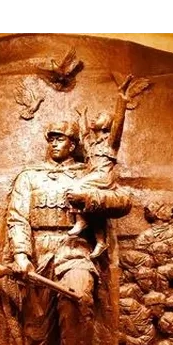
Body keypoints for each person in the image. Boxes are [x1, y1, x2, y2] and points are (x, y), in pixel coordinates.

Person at [4, 120, 132, 345]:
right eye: (51, 138)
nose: (54, 143)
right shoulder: (29, 177)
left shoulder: (89, 173)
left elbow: (122, 200)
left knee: (78, 306)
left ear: (73, 144)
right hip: (38, 253)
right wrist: (21, 254)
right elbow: (17, 218)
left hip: (74, 250)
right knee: (37, 335)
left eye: (60, 139)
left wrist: (89, 199)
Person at [67, 76, 132, 259]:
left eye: (99, 116)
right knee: (95, 209)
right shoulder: (91, 144)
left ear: (107, 124)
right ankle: (101, 242)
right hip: (93, 176)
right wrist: (83, 117)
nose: (96, 117)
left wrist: (121, 99)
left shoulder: (110, 143)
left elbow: (119, 123)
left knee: (77, 188)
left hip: (103, 177)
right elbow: (84, 134)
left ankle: (81, 221)